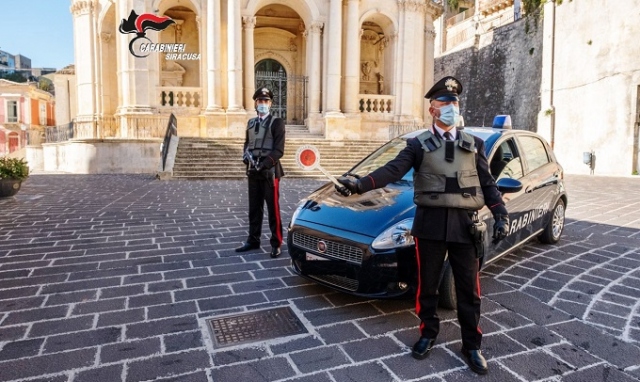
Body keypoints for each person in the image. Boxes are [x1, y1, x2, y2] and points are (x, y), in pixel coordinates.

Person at [335, 76, 509, 375]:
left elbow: (488, 183)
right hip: (429, 226)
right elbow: (393, 169)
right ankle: (428, 334)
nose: (451, 107)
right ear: (432, 110)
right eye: (445, 103)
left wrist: (501, 213)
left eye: (454, 103)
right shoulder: (417, 145)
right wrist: (359, 184)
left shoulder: (475, 144)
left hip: (465, 226)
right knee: (426, 286)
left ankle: (472, 345)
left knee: (469, 291)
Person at [235, 88, 286, 258]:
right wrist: (246, 158)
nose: (263, 104)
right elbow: (247, 144)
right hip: (253, 171)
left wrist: (264, 164)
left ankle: (276, 243)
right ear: (255, 103)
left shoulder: (277, 123)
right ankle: (253, 240)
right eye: (260, 101)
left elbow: (279, 150)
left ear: (270, 104)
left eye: (266, 101)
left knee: (273, 209)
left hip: (269, 173)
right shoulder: (250, 123)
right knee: (254, 209)